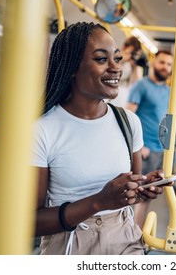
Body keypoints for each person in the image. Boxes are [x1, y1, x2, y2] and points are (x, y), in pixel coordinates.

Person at [32, 22, 167, 255]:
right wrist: (98, 202)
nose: (115, 68)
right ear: (72, 67)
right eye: (101, 59)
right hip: (70, 244)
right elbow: (30, 222)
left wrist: (142, 187)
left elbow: (130, 192)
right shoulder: (42, 130)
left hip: (124, 237)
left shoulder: (128, 122)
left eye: (117, 58)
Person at [126, 50, 173, 227]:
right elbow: (128, 115)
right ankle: (129, 236)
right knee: (136, 195)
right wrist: (138, 146)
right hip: (145, 149)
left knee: (147, 197)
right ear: (153, 62)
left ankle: (137, 236)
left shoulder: (169, 90)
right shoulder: (141, 86)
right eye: (162, 62)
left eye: (169, 64)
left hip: (161, 150)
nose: (165, 67)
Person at [109, 36, 143, 108]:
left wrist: (134, 65)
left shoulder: (132, 66)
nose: (132, 56)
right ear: (124, 47)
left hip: (122, 101)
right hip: (109, 97)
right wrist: (122, 60)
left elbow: (135, 84)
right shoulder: (112, 58)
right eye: (131, 52)